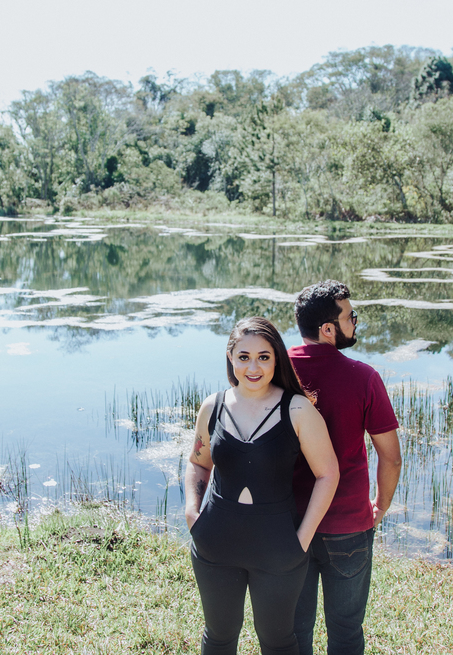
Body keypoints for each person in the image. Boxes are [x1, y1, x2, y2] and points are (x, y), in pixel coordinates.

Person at [185, 316, 340, 655]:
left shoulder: (297, 409)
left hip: (278, 549)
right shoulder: (213, 406)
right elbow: (198, 462)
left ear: (276, 359)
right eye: (244, 357)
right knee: (219, 635)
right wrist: (192, 513)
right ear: (230, 357)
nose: (253, 367)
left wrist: (302, 538)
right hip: (215, 544)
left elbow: (328, 474)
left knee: (277, 640)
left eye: (263, 357)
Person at [290, 280, 401, 655]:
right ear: (328, 329)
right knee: (347, 631)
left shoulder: (274, 370)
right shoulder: (363, 377)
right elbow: (391, 456)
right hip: (349, 526)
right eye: (351, 316)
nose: (356, 322)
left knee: (294, 631)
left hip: (289, 524)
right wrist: (380, 506)